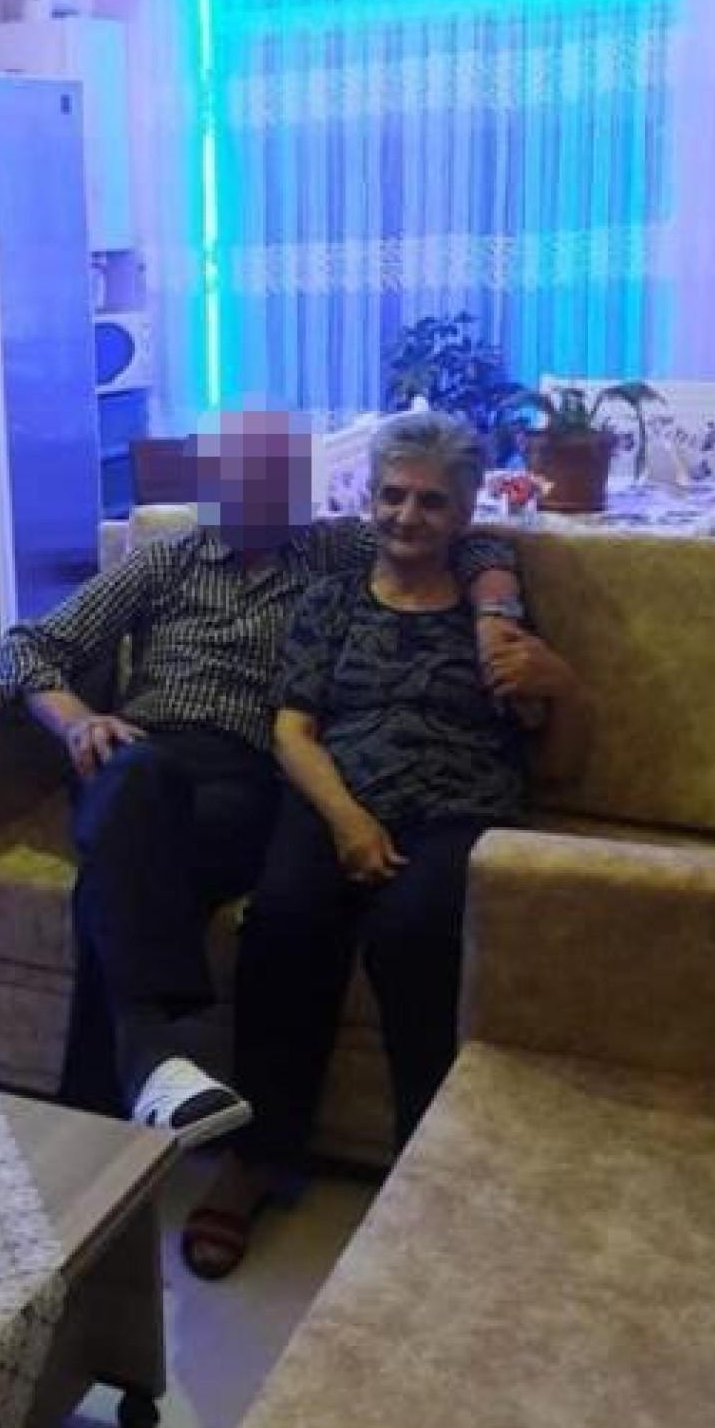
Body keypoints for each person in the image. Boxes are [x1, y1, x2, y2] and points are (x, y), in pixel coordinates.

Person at [0, 409, 527, 1151]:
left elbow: (465, 541)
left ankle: (104, 1111)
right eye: (238, 480)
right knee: (133, 789)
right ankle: (149, 1064)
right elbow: (26, 648)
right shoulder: (163, 562)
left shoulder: (330, 550)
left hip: (242, 782)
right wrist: (78, 720)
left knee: (110, 883)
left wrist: (495, 611)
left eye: (277, 481)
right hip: (141, 758)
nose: (257, 496)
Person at [181, 410, 587, 1276]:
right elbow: (292, 731)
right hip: (334, 795)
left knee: (413, 935)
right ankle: (259, 1155)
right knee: (282, 921)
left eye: (432, 502)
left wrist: (563, 689)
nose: (408, 516)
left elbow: (555, 766)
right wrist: (348, 821)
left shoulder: (494, 615)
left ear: (465, 512)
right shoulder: (330, 600)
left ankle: (422, 1168)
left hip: (457, 809)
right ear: (368, 499)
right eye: (393, 496)